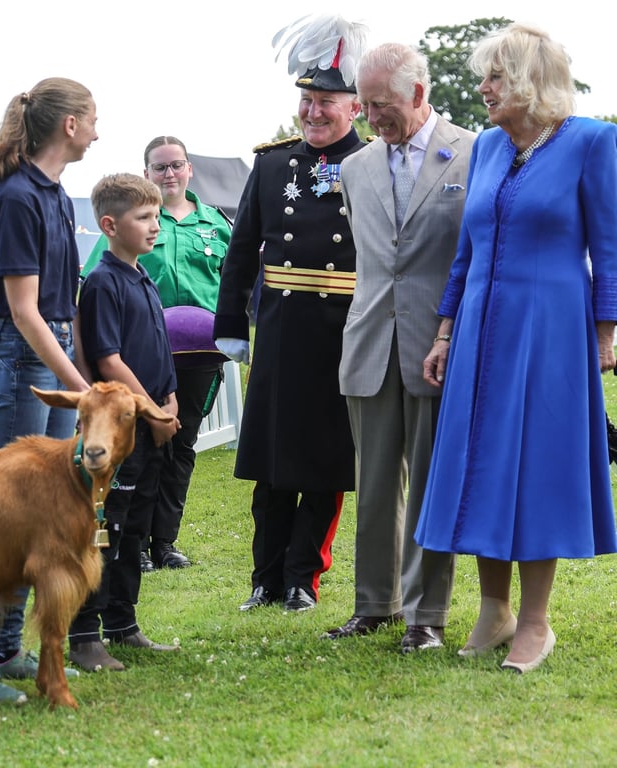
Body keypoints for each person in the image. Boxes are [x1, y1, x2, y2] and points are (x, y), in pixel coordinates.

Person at [414, 23, 617, 673]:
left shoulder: (592, 142)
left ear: (531, 80)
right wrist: (444, 331)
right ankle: (494, 611)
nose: (484, 88)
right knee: (482, 463)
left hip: (552, 330)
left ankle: (535, 623)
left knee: (535, 469)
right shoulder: (489, 149)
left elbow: (610, 246)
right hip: (479, 329)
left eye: (496, 76)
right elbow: (466, 251)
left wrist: (607, 330)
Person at [0, 77, 98, 704]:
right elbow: (24, 311)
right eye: (93, 118)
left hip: (47, 355)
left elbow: (60, 310)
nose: (98, 130)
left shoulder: (54, 194)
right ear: (69, 125)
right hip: (25, 360)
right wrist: (81, 388)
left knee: (41, 514)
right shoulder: (16, 198)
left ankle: (6, 650)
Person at [322, 44, 476, 653]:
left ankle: (426, 614)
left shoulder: (474, 150)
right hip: (368, 343)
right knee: (375, 481)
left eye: (382, 105)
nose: (370, 116)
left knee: (431, 486)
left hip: (437, 345)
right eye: (365, 103)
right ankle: (374, 604)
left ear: (418, 93)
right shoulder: (356, 166)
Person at [213, 14, 368, 613]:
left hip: (342, 333)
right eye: (306, 101)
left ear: (353, 107)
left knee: (326, 464)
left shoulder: (371, 164)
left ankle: (304, 576)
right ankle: (265, 575)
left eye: (326, 102)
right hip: (280, 332)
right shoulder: (273, 165)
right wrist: (231, 326)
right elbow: (241, 252)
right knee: (272, 463)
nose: (313, 113)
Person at [68, 173, 181, 672]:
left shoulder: (141, 275)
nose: (155, 226)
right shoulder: (103, 282)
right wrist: (151, 410)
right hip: (119, 430)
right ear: (110, 225)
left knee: (134, 530)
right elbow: (109, 360)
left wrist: (170, 397)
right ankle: (85, 634)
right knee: (104, 530)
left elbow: (158, 349)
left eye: (157, 215)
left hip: (150, 420)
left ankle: (122, 624)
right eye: (144, 218)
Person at [137, 136, 232, 572]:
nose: (169, 174)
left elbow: (238, 285)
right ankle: (134, 542)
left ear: (189, 169)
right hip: (143, 355)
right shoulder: (135, 221)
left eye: (176, 165)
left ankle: (165, 543)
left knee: (181, 444)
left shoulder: (216, 225)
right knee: (142, 446)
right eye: (160, 168)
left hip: (200, 355)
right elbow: (99, 276)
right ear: (147, 174)